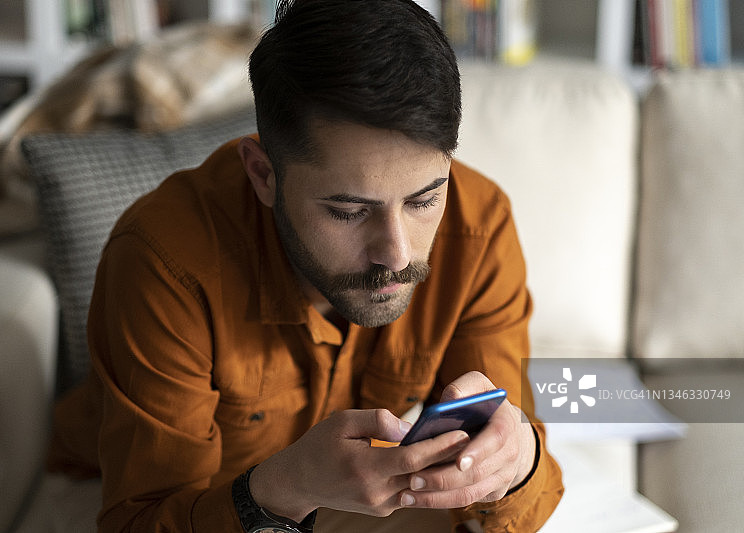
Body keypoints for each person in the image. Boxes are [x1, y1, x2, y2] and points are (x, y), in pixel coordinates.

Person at [47, 0, 564, 531]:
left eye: (423, 200)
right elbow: (141, 519)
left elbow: (518, 474)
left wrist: (517, 460)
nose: (397, 253)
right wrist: (285, 487)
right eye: (348, 210)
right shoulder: (163, 262)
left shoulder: (479, 227)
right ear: (264, 175)